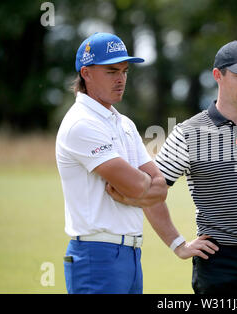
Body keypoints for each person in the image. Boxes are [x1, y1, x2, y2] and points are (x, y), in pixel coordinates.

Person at [107, 40, 237, 294]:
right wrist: (177, 244)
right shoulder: (188, 132)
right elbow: (151, 191)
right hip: (219, 263)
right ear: (218, 75)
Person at [55, 32, 171, 294]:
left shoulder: (124, 123)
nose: (121, 79)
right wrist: (141, 189)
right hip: (96, 255)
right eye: (111, 71)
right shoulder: (81, 123)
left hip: (130, 254)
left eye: (124, 71)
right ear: (86, 73)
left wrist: (133, 196)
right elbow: (138, 184)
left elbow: (160, 188)